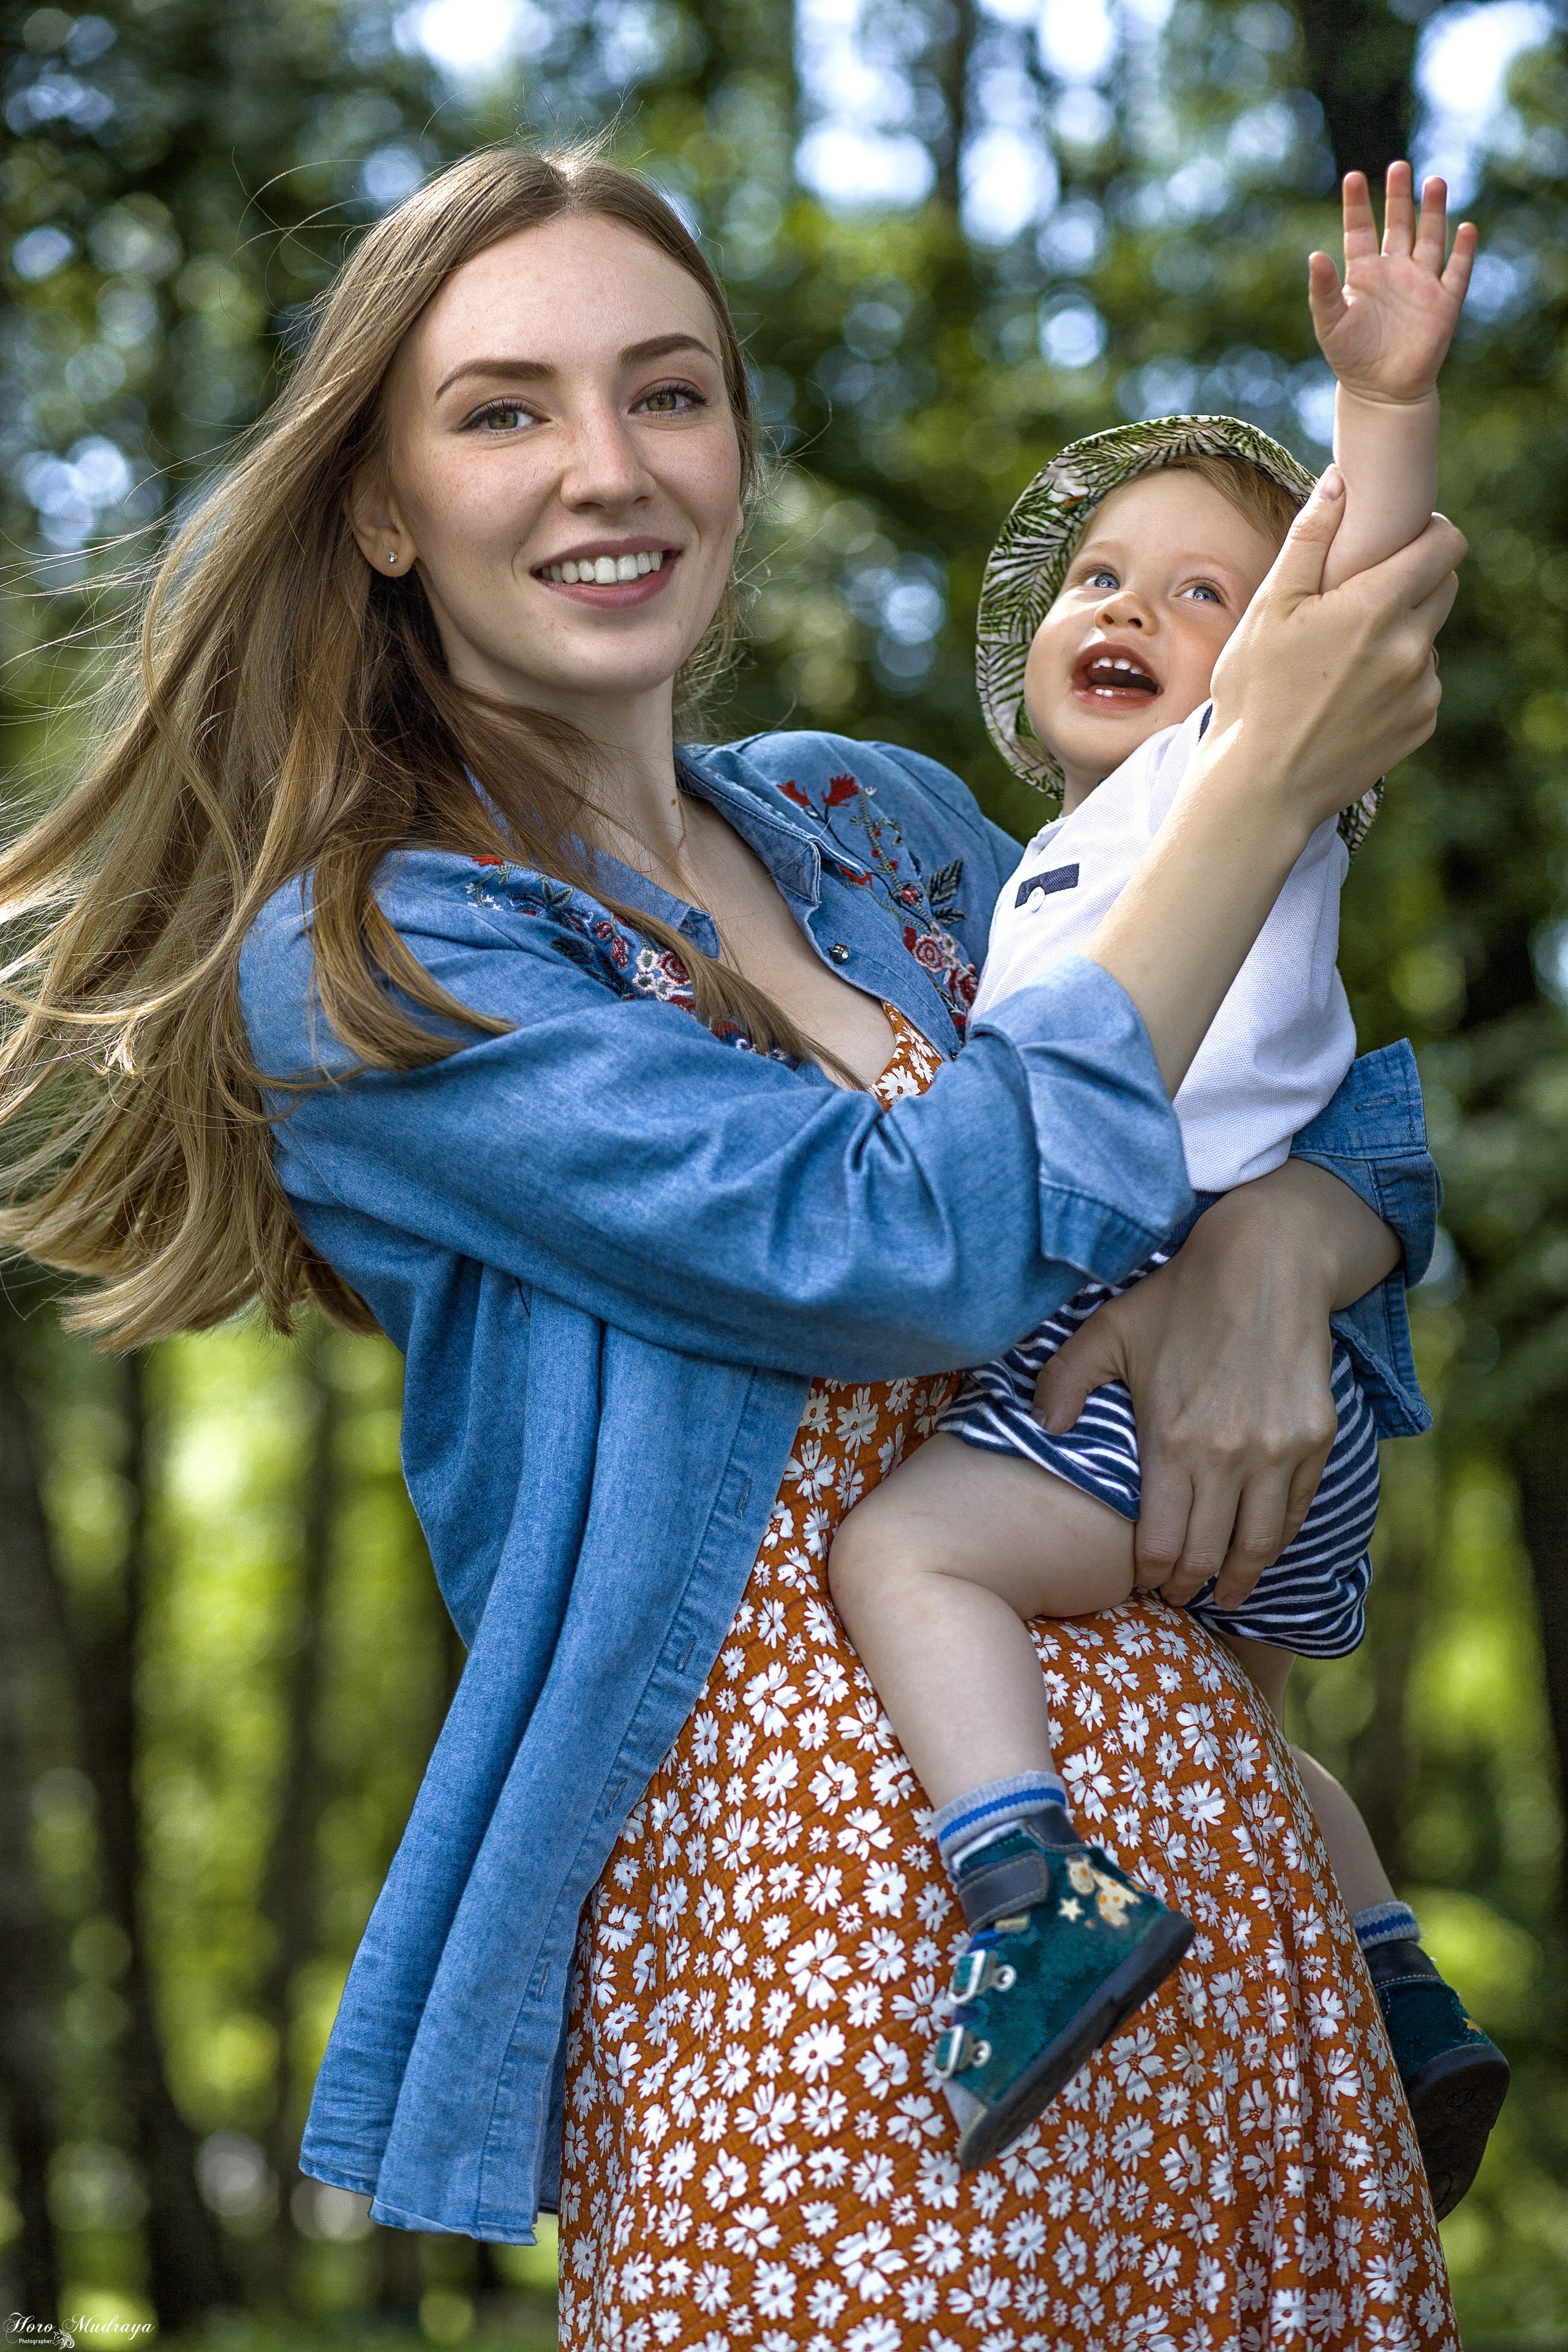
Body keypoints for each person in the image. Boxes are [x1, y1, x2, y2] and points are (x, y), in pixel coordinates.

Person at [0, 146, 1466, 2343]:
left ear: (736, 449)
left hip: (1240, 1934)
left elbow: (1322, 1079)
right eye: (505, 409)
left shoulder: (887, 826)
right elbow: (899, 1251)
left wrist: (1279, 1256)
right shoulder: (394, 950)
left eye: (667, 393)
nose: (609, 466)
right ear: (383, 501)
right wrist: (1258, 775)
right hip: (838, 1989)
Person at [827, 167, 1507, 2206]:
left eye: (1204, 591)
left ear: (1276, 667)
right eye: (1098, 575)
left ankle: (1033, 1903)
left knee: (906, 1561)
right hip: (1248, 1442)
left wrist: (1385, 408)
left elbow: (1362, 592)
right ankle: (1395, 1985)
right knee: (1217, 1722)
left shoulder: (1249, 792)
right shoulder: (1041, 870)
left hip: (1149, 1383)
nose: (1126, 609)